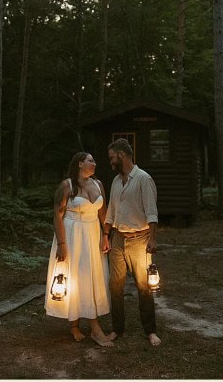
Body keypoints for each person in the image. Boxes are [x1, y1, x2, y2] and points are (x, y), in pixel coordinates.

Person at [44, 152, 113, 347]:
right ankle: (90, 327)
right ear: (80, 163)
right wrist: (62, 244)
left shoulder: (98, 184)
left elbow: (103, 211)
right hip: (73, 235)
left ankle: (81, 323)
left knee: (92, 277)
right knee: (76, 276)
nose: (95, 163)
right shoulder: (67, 186)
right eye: (91, 160)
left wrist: (106, 235)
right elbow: (58, 215)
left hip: (93, 235)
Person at [102, 138, 161, 346]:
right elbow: (110, 211)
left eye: (112, 158)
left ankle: (150, 330)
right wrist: (105, 235)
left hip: (140, 239)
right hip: (117, 239)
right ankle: (117, 329)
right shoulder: (116, 181)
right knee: (115, 287)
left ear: (122, 155)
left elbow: (152, 211)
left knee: (144, 287)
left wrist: (152, 238)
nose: (110, 162)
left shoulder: (143, 179)